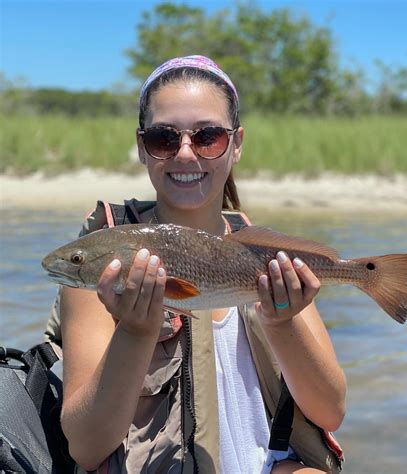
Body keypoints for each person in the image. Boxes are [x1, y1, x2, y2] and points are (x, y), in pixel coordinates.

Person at [51, 55, 346, 473]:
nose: (186, 154)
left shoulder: (266, 258)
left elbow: (330, 411)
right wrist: (136, 332)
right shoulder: (104, 260)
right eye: (163, 138)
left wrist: (281, 322)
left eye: (208, 137)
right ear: (141, 147)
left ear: (237, 143)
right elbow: (86, 447)